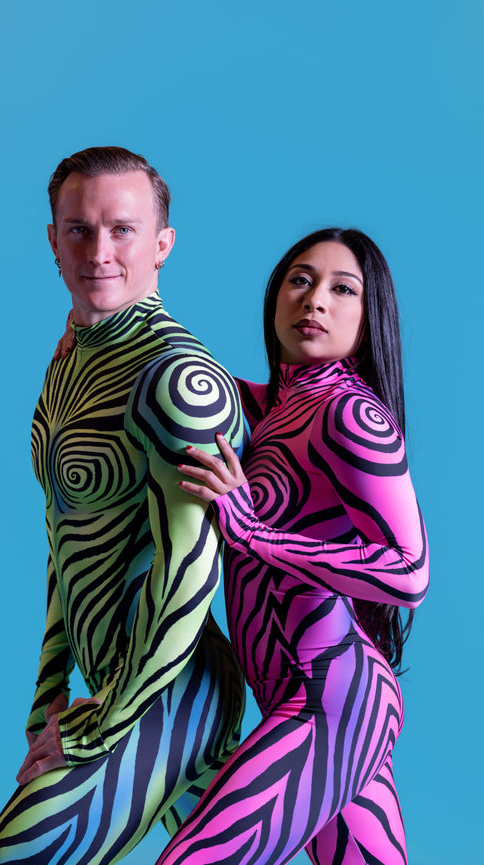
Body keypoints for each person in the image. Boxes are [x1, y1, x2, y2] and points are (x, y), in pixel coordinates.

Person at [0, 147, 247, 865]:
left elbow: (190, 570)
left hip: (168, 691)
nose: (99, 251)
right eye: (79, 229)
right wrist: (48, 700)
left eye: (122, 230)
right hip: (117, 689)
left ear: (162, 245)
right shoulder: (71, 359)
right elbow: (67, 540)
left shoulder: (179, 380)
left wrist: (101, 726)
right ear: (53, 239)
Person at [155, 228, 429, 864]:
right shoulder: (270, 408)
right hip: (308, 698)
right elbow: (172, 376)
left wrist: (255, 536)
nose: (316, 301)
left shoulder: (352, 416)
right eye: (300, 281)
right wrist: (89, 340)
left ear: (369, 317)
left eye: (342, 289)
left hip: (330, 699)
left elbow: (408, 571)